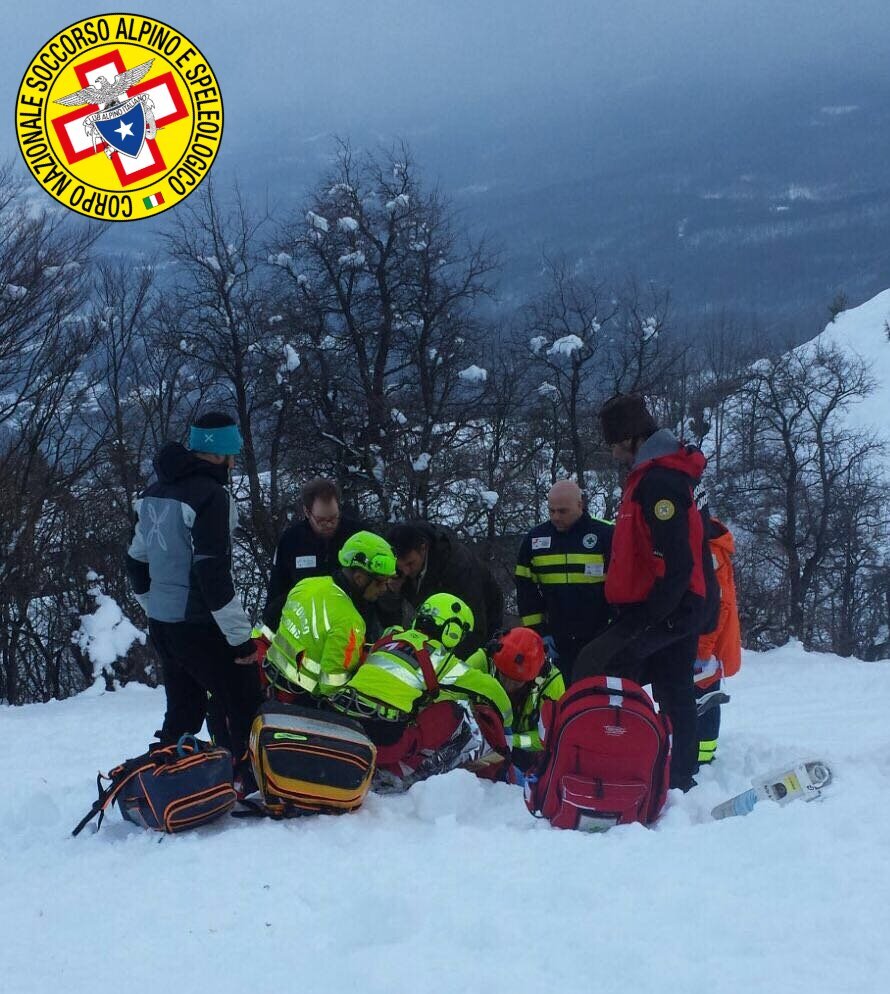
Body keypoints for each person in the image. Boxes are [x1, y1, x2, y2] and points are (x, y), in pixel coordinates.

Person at [573, 394, 712, 791]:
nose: (613, 451)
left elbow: (679, 561)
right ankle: (677, 775)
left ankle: (615, 756)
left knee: (601, 666)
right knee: (672, 686)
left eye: (614, 443)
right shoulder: (658, 474)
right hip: (672, 604)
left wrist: (654, 615)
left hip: (667, 606)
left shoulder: (660, 482)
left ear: (631, 437)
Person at [125, 412, 262, 781]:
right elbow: (212, 575)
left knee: (184, 710)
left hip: (165, 625)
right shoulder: (212, 497)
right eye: (233, 454)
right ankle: (250, 781)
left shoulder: (153, 493)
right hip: (200, 624)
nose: (234, 462)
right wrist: (240, 640)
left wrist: (154, 608)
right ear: (221, 454)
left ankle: (165, 779)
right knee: (246, 699)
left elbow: (136, 561)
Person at [333, 594, 513, 791]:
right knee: (451, 712)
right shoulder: (441, 660)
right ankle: (403, 769)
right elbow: (492, 691)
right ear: (451, 632)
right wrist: (508, 721)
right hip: (385, 744)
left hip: (343, 725)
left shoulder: (388, 636)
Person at [257, 530, 397, 702]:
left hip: (272, 681)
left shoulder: (307, 584)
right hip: (303, 701)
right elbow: (332, 686)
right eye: (380, 582)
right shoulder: (349, 621)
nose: (384, 589)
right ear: (360, 578)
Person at [514, 480, 613, 681]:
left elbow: (621, 587)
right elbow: (526, 592)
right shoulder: (535, 540)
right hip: (556, 641)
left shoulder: (606, 534)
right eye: (551, 511)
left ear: (580, 505)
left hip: (600, 638)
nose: (556, 517)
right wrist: (538, 634)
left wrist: (614, 629)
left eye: (562, 511)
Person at [262, 477, 365, 629]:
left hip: (353, 626)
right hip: (307, 630)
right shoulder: (291, 540)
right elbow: (277, 590)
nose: (329, 525)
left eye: (333, 518)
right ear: (307, 512)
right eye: (321, 520)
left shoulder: (358, 535)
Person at [386, 521, 504, 649]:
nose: (406, 572)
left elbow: (475, 626)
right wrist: (393, 594)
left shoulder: (457, 565)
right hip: (439, 617)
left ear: (423, 548)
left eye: (410, 564)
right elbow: (390, 622)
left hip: (484, 610)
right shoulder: (400, 568)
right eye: (400, 566)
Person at [468, 626, 565, 780]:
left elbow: (549, 737)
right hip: (475, 739)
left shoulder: (551, 683)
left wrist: (513, 741)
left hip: (521, 753)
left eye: (515, 681)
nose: (507, 685)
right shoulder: (483, 660)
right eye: (503, 676)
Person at [695, 518, 742, 765]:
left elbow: (718, 605)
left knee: (704, 697)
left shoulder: (709, 550)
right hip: (704, 642)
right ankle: (700, 753)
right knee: (699, 697)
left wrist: (703, 648)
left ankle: (703, 758)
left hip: (707, 646)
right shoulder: (705, 542)